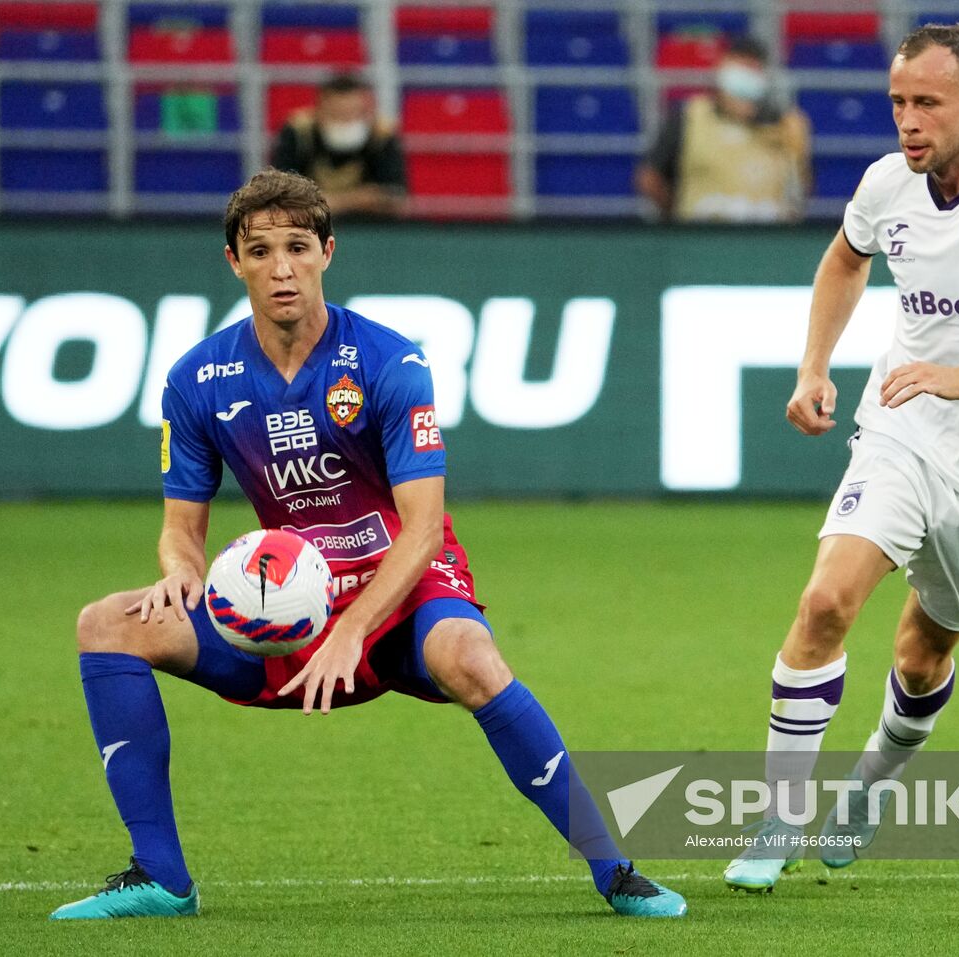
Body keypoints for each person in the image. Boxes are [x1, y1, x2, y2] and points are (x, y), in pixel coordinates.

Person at [50, 168, 686, 921]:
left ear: (327, 250)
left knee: (468, 655)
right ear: (234, 261)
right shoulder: (197, 380)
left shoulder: (388, 360)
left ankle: (615, 869)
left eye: (296, 247)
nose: (280, 267)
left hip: (405, 588)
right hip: (286, 607)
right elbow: (181, 529)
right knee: (105, 623)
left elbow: (421, 528)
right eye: (259, 251)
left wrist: (353, 628)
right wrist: (180, 575)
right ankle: (160, 877)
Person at [722, 23, 959, 893]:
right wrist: (815, 365)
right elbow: (843, 259)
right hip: (902, 428)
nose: (908, 120)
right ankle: (781, 813)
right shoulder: (886, 183)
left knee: (922, 652)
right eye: (899, 101)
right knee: (825, 599)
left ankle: (870, 785)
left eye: (927, 102)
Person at [636, 35, 811, 223]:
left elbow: (800, 190)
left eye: (753, 69)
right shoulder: (690, 117)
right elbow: (650, 177)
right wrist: (678, 218)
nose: (746, 77)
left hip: (765, 242)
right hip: (701, 239)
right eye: (740, 68)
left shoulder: (787, 126)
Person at [270, 74, 406, 219]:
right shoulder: (299, 133)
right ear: (320, 106)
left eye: (352, 112)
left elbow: (396, 197)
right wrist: (357, 199)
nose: (345, 118)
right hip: (308, 224)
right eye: (338, 112)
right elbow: (281, 192)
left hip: (370, 227)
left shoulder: (381, 135)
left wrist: (326, 201)